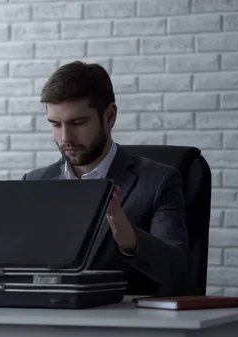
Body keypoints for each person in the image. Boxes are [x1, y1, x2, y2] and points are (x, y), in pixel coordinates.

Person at [22, 61, 190, 297]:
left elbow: (177, 270)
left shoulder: (159, 181)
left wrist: (128, 237)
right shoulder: (34, 183)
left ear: (109, 116)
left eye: (78, 123)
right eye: (55, 124)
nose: (65, 138)